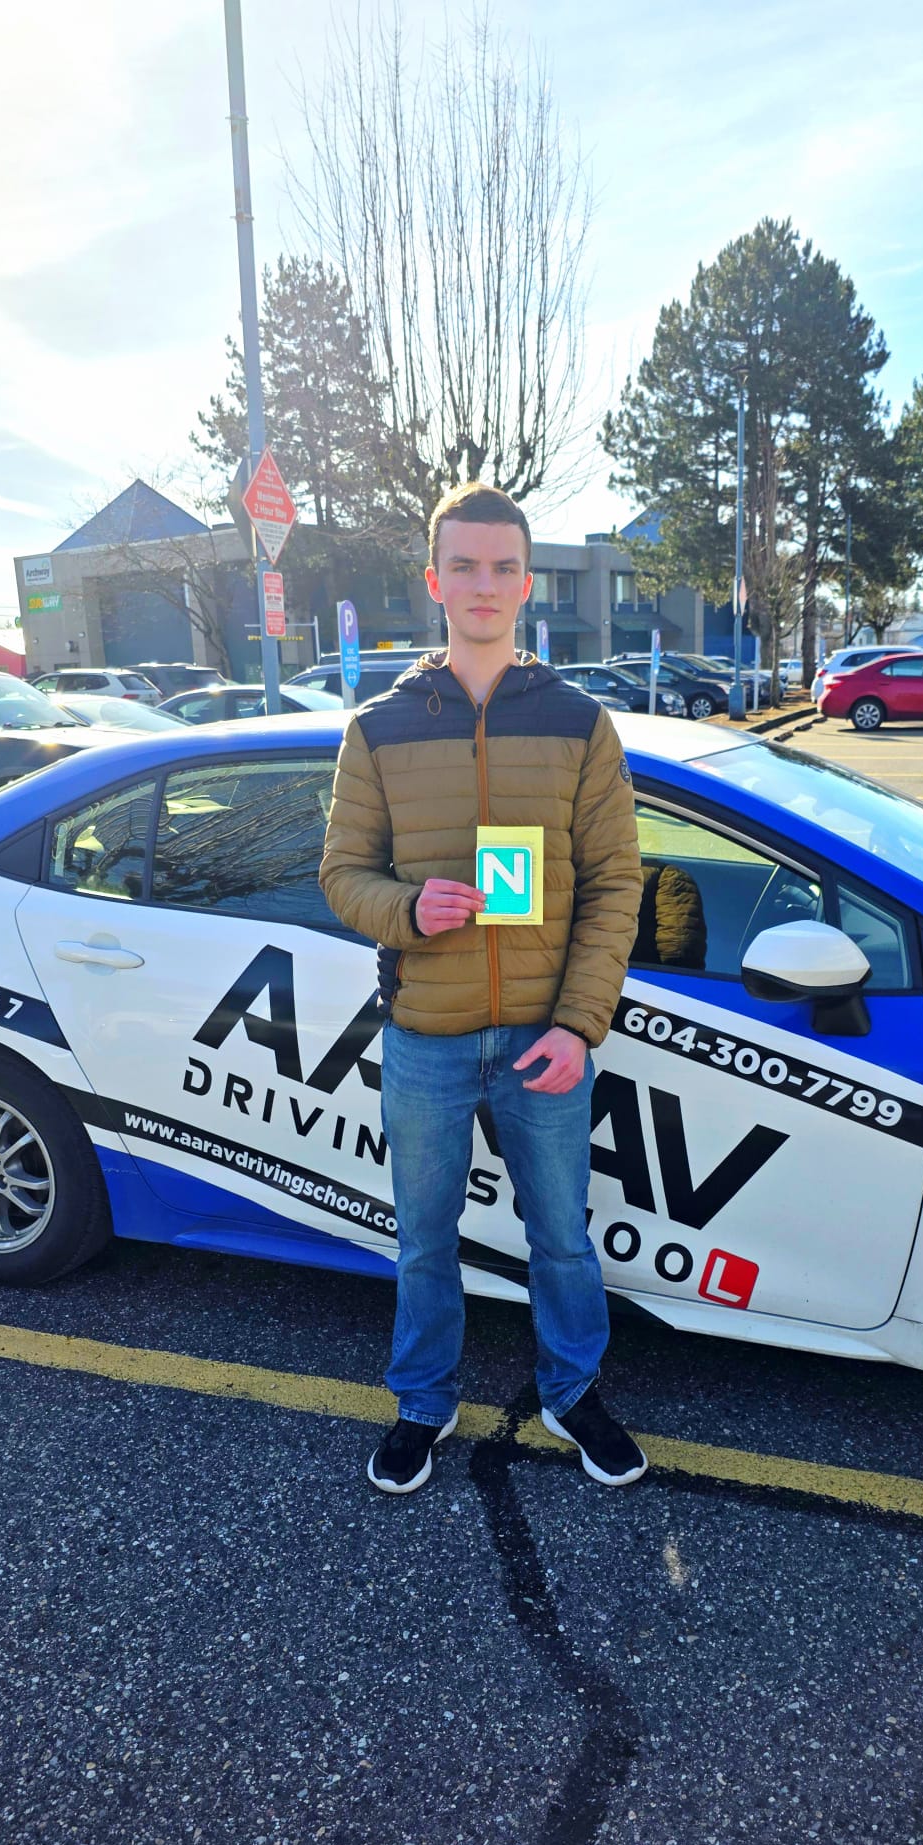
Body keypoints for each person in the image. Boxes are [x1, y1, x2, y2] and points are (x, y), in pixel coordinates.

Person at [320, 482, 646, 1494]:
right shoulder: (377, 728)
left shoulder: (580, 721)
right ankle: (422, 1400)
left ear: (527, 582)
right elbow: (341, 874)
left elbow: (615, 884)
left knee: (562, 1240)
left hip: (545, 1037)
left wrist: (580, 1024)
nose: (484, 584)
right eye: (463, 565)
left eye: (503, 566)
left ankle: (572, 1390)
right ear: (434, 581)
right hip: (426, 1033)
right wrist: (408, 909)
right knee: (424, 1239)